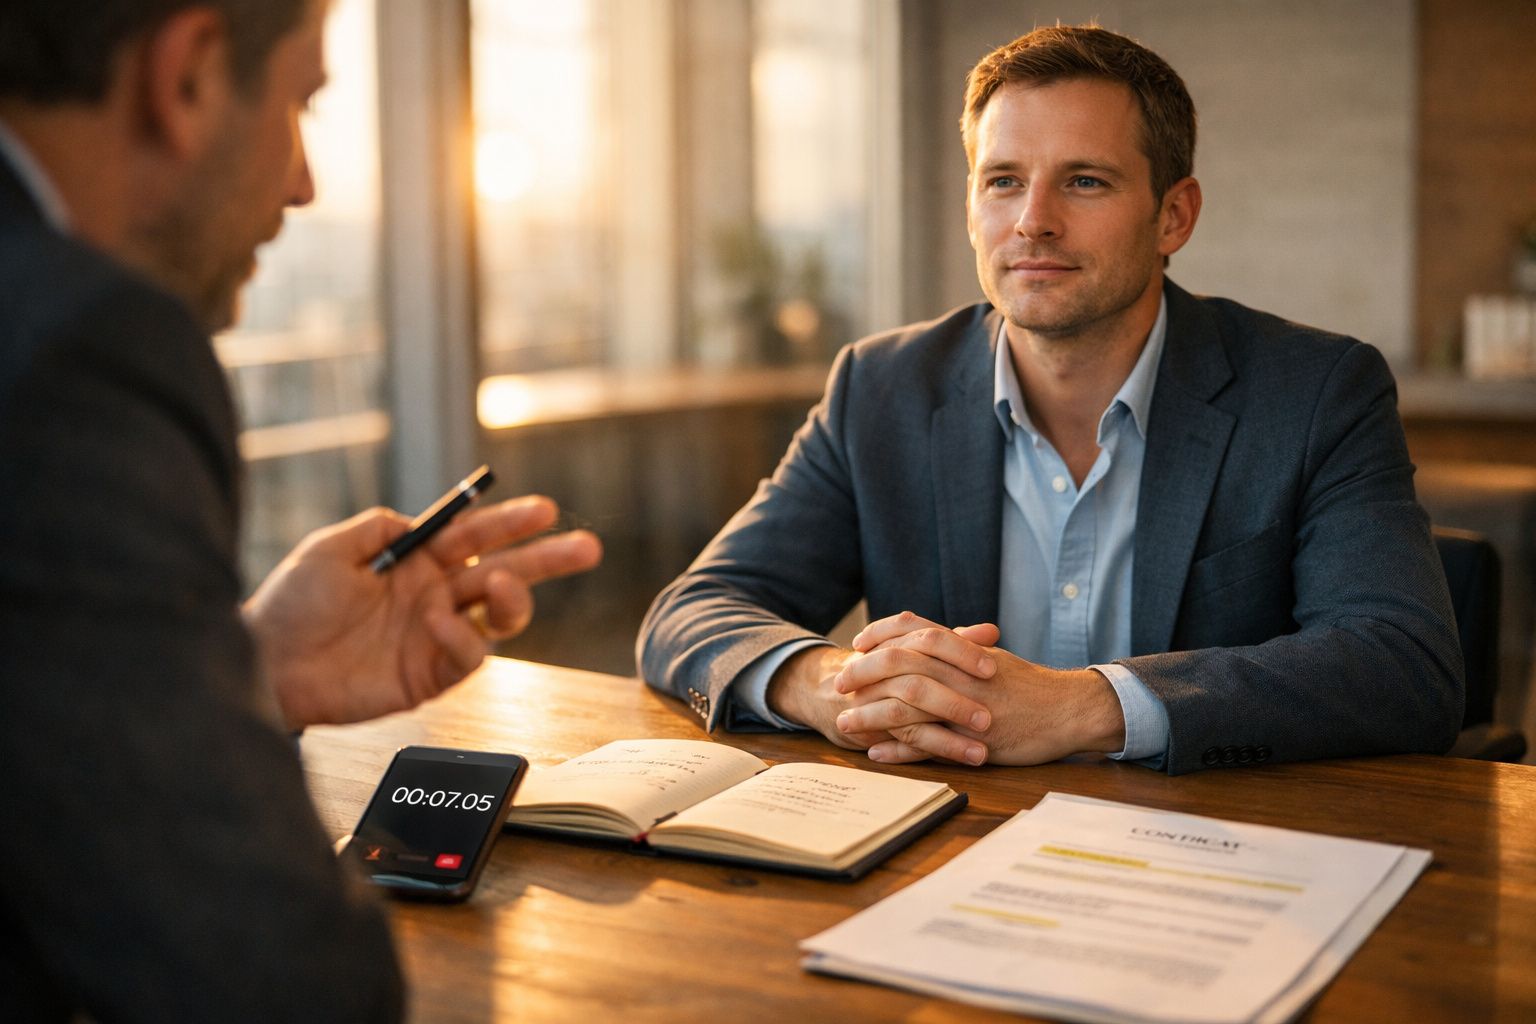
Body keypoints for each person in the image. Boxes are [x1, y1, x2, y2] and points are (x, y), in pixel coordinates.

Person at [638, 24, 1463, 776]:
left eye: (1086, 181)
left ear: (1173, 215)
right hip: (945, 848)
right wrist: (830, 685)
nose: (1033, 221)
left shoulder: (1316, 391)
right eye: (1002, 180)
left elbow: (1402, 664)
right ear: (971, 209)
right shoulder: (880, 388)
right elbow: (695, 611)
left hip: (1208, 859)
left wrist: (1082, 707)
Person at [0, 0, 600, 1018]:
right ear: (186, 76)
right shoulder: (82, 344)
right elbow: (267, 968)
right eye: (301, 103)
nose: (304, 180)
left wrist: (252, 670)